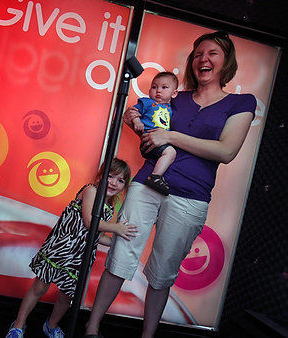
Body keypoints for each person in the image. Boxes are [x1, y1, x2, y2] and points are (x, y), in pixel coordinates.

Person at [84, 31, 256, 338]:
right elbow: (154, 132)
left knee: (162, 272)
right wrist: (136, 120)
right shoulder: (177, 97)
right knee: (120, 255)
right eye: (199, 54)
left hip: (191, 196)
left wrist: (172, 137)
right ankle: (92, 327)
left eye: (213, 53)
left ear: (226, 61)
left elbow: (226, 151)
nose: (204, 59)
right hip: (147, 184)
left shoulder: (241, 102)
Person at [6, 158, 137, 338]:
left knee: (67, 296)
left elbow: (96, 237)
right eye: (111, 176)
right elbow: (90, 221)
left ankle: (51, 325)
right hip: (60, 249)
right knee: (39, 287)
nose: (114, 183)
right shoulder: (91, 190)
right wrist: (116, 228)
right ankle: (19, 324)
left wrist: (117, 239)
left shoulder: (110, 207)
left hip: (79, 256)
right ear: (101, 176)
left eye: (120, 180)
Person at [132, 72, 179, 195]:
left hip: (160, 142)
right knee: (171, 152)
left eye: (164, 87)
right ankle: (155, 177)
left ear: (174, 93)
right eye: (154, 87)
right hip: (149, 141)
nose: (158, 91)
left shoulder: (170, 109)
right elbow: (133, 112)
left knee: (169, 153)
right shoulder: (147, 102)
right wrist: (137, 121)